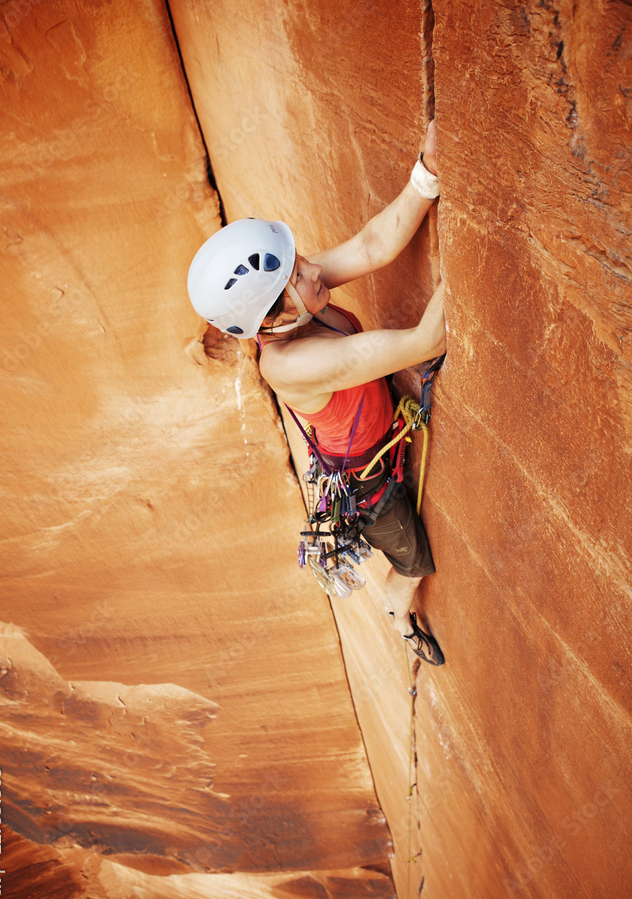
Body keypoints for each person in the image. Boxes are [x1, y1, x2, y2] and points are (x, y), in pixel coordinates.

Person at [188, 122, 446, 664]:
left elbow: (373, 245)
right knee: (413, 560)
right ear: (274, 316)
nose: (312, 266)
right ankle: (399, 614)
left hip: (368, 443)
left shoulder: (293, 298)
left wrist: (429, 168)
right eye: (299, 272)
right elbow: (425, 338)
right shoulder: (292, 362)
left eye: (300, 261)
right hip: (367, 483)